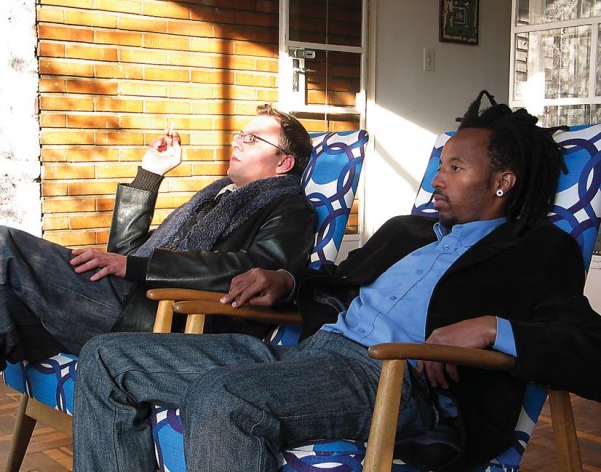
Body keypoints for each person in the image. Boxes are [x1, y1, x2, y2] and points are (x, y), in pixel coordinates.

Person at [72, 91, 601, 471]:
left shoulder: (535, 252)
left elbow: (589, 349)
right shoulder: (407, 232)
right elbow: (336, 280)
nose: (437, 179)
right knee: (107, 358)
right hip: (313, 353)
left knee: (224, 397)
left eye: (456, 168)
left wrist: (491, 328)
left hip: (390, 380)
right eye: (440, 165)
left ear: (503, 181)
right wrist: (285, 279)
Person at [0, 104, 317, 454]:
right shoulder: (215, 197)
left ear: (284, 162)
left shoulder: (290, 208)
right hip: (127, 303)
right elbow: (126, 253)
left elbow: (255, 269)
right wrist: (150, 174)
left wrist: (138, 268)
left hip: (162, 319)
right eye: (240, 134)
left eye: (252, 139)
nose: (237, 142)